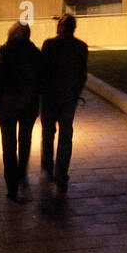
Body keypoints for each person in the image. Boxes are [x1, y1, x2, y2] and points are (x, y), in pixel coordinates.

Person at [0, 21, 41, 201]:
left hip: (6, 105)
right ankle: (22, 173)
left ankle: (11, 186)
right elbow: (43, 77)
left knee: (8, 146)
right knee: (25, 140)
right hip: (28, 104)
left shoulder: (2, 50)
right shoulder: (34, 53)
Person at [39, 14, 88, 194]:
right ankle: (61, 173)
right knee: (66, 136)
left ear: (60, 27)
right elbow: (82, 74)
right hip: (69, 98)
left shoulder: (49, 44)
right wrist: (76, 93)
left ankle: (47, 167)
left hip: (50, 97)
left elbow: (42, 71)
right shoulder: (81, 47)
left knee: (48, 133)